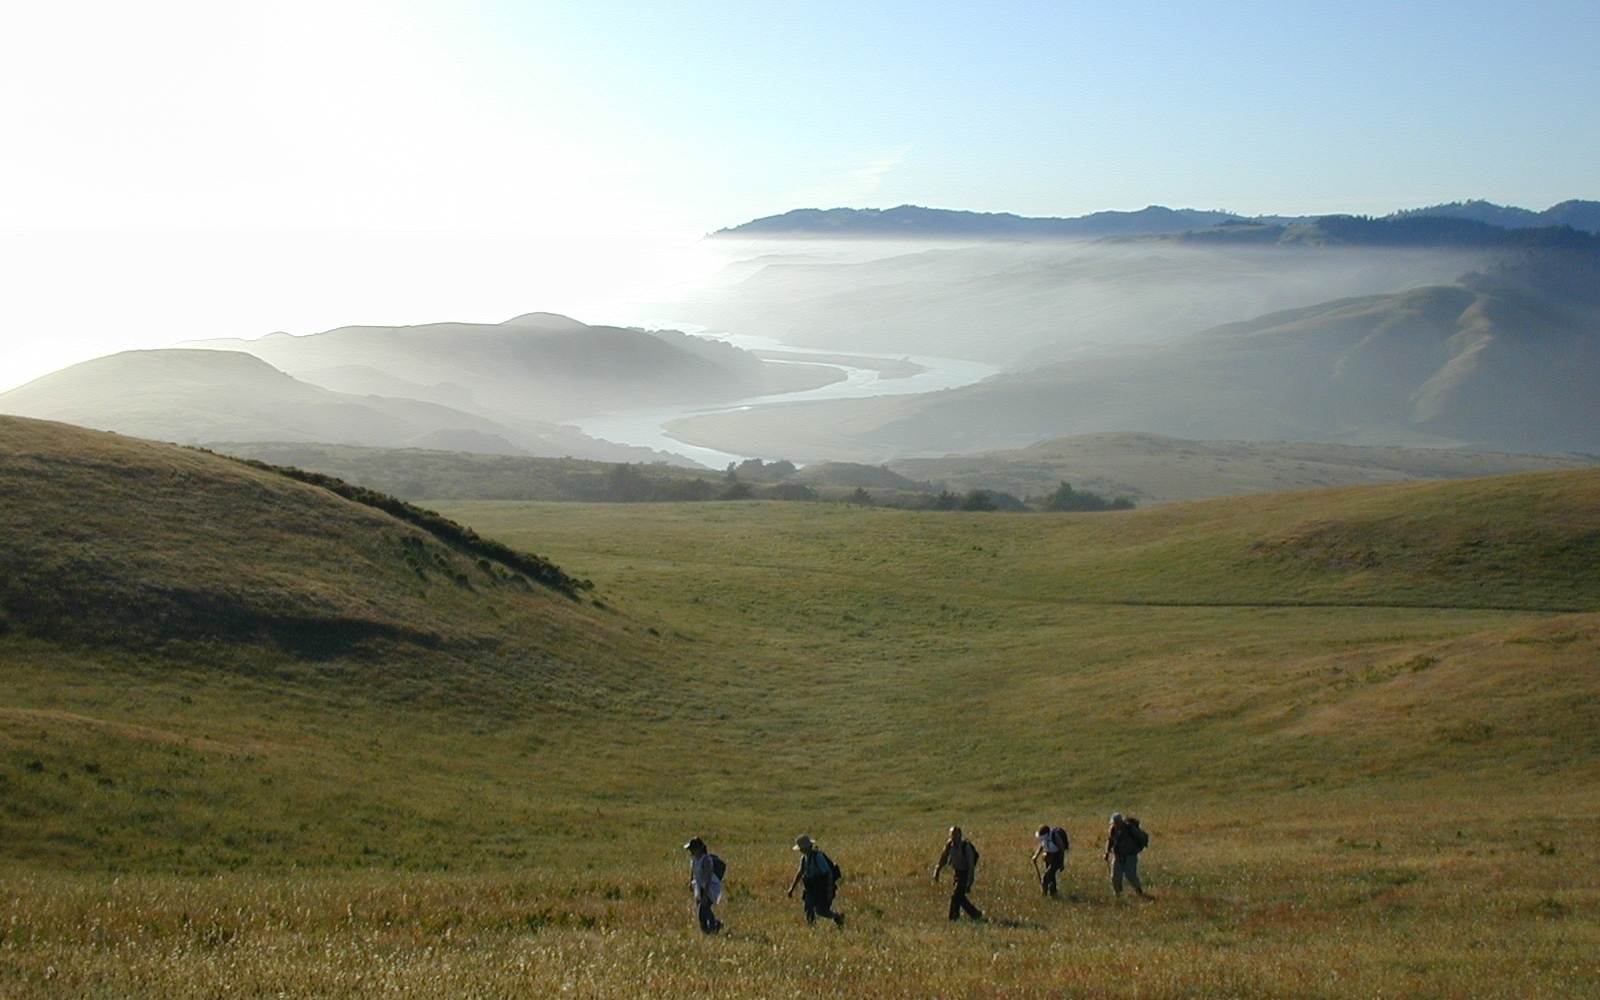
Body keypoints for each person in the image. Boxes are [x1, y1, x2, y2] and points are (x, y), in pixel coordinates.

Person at [786, 834, 845, 926]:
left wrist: (829, 890)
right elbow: (800, 873)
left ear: (807, 847)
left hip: (823, 888)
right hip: (811, 888)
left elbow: (828, 873)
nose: (800, 850)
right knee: (808, 907)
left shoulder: (818, 857)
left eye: (801, 848)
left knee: (820, 910)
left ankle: (837, 916)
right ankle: (812, 927)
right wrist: (791, 889)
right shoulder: (803, 859)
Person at [932, 826, 984, 921]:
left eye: (956, 835)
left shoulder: (966, 847)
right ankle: (975, 914)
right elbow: (943, 859)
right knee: (960, 897)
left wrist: (969, 883)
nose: (954, 837)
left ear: (960, 835)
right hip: (957, 873)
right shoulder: (949, 846)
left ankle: (953, 918)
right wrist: (937, 870)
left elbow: (971, 867)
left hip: (965, 873)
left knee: (956, 895)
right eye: (952, 835)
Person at [1104, 813, 1151, 899]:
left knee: (1130, 875)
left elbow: (1142, 838)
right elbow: (1110, 840)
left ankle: (1138, 890)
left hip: (1130, 856)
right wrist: (1106, 852)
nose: (1115, 824)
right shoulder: (1113, 829)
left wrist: (1137, 849)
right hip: (1117, 856)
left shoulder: (1130, 828)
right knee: (1115, 876)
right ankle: (1117, 894)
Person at [684, 836, 724, 933]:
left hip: (710, 887)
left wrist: (705, 895)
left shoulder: (707, 860)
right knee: (703, 908)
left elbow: (708, 879)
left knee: (702, 909)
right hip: (699, 886)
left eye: (692, 849)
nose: (691, 852)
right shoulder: (694, 860)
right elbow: (693, 872)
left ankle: (707, 929)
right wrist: (691, 882)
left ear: (698, 849)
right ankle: (714, 925)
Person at [1032, 824, 1068, 897]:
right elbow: (1042, 845)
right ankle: (1053, 893)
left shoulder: (1055, 837)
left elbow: (1061, 850)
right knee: (1051, 876)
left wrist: (1061, 863)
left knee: (1046, 876)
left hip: (1057, 857)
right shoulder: (1044, 838)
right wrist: (1036, 856)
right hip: (1049, 856)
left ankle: (1044, 894)